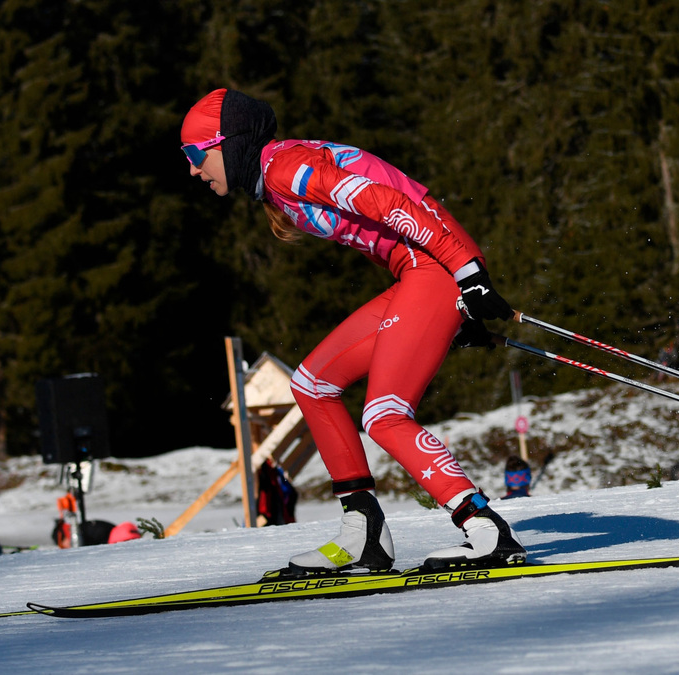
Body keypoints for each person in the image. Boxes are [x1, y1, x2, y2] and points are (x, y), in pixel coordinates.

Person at [181, 89, 525, 573]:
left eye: (196, 155)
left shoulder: (286, 169)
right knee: (312, 383)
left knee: (384, 414)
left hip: (434, 262)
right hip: (419, 271)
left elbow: (387, 202)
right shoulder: (276, 176)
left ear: (229, 143)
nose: (194, 170)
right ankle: (363, 532)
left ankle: (486, 529)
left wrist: (465, 272)